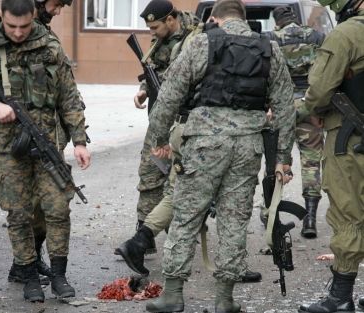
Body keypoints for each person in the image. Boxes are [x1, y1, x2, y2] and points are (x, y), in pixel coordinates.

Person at [144, 0, 296, 311]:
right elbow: (284, 108)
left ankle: (172, 295)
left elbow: (169, 94)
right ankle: (224, 299)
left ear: (216, 18)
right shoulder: (270, 48)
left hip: (204, 145)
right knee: (234, 220)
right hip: (247, 146)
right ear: (242, 18)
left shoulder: (202, 42)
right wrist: (283, 159)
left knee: (186, 216)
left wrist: (157, 140)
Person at [0, 0, 90, 302]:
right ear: (2, 17)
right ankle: (28, 275)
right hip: (8, 149)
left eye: (24, 26)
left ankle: (58, 275)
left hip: (47, 145)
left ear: (33, 17)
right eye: (11, 26)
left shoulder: (50, 45)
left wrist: (80, 140)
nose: (17, 33)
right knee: (18, 214)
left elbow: (69, 96)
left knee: (58, 209)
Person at [117, 19, 262, 284]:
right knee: (185, 196)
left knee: (178, 191)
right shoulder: (202, 44)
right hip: (195, 130)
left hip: (185, 128)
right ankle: (144, 247)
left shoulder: (193, 42)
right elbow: (171, 94)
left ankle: (140, 241)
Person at [297, 0, 364, 311]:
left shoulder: (347, 34)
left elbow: (320, 90)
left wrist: (313, 108)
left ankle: (339, 299)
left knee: (348, 215)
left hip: (350, 140)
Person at [7, 0, 75, 287]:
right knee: (28, 207)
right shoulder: (9, 34)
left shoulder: (47, 36)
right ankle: (25, 264)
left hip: (48, 136)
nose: (59, 10)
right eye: (57, 3)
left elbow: (64, 86)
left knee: (52, 203)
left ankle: (27, 262)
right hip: (19, 140)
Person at [129, 0, 201, 255]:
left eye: (155, 27)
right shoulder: (159, 41)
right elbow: (153, 72)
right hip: (159, 120)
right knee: (149, 174)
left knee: (181, 178)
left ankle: (182, 234)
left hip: (183, 120)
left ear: (171, 20)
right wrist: (143, 91)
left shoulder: (196, 38)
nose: (152, 32)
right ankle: (143, 235)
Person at [264, 7, 326, 238]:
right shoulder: (317, 36)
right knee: (311, 161)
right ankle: (309, 219)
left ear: (277, 24)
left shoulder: (271, 39)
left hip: (281, 108)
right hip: (310, 105)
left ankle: (270, 216)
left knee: (277, 161)